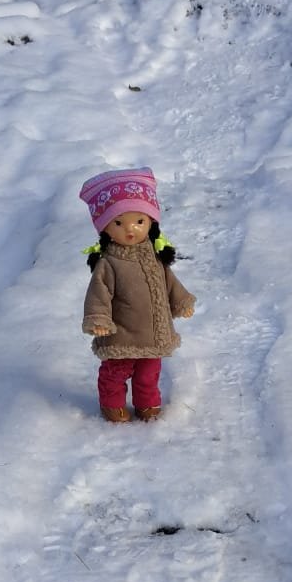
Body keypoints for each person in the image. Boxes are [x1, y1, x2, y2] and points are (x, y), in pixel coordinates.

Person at [79, 167, 196, 423]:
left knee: (149, 371)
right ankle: (112, 405)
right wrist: (99, 318)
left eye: (139, 221)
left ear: (151, 222)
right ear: (105, 228)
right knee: (116, 371)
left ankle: (147, 405)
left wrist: (181, 301)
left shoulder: (154, 257)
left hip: (154, 332)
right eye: (118, 223)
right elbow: (98, 293)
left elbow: (169, 283)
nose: (130, 229)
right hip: (121, 334)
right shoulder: (109, 263)